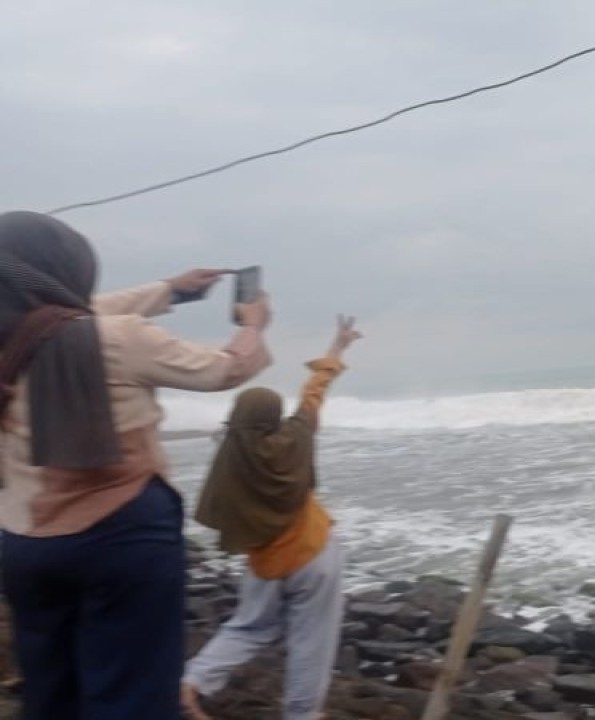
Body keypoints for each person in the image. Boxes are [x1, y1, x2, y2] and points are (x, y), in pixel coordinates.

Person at [0, 210, 273, 720]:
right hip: (121, 537)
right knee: (132, 696)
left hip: (23, 544)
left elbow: (80, 312)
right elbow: (227, 368)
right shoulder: (119, 339)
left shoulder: (13, 338)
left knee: (51, 695)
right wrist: (253, 327)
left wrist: (173, 290)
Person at [182, 314, 363, 720]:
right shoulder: (295, 437)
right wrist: (338, 346)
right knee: (311, 643)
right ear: (273, 416)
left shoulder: (229, 455)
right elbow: (314, 393)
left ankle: (193, 681)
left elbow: (219, 509)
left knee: (248, 626)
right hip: (315, 554)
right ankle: (301, 714)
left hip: (265, 563)